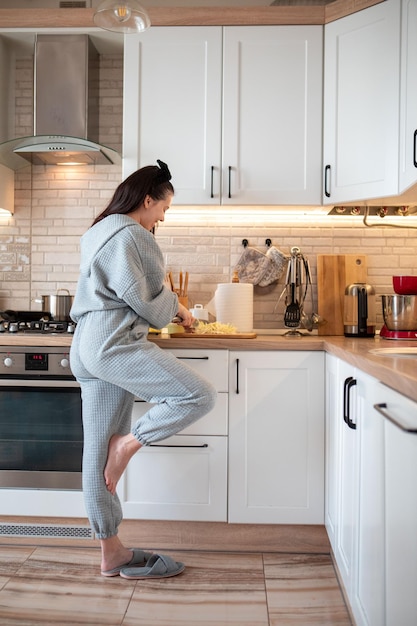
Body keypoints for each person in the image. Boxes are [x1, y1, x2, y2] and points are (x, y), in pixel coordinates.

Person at [69, 160, 217, 579]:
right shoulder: (135, 235)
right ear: (147, 200)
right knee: (198, 395)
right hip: (113, 342)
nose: (162, 219)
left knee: (94, 451)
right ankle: (128, 446)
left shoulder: (98, 229)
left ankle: (110, 551)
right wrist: (180, 309)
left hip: (86, 343)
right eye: (163, 210)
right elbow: (150, 305)